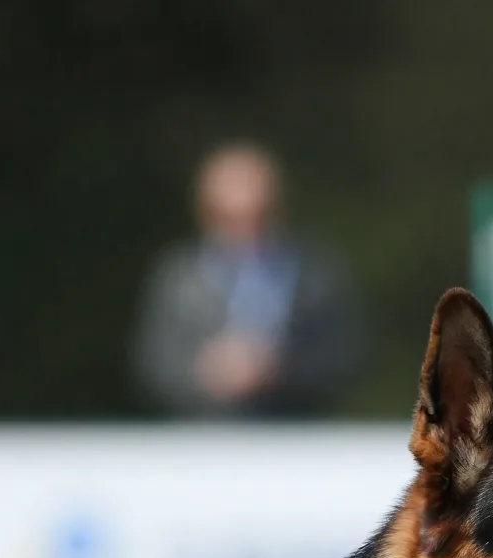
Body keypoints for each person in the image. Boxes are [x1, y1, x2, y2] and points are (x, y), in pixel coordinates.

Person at [133, 142, 362, 417]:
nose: (246, 230)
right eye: (231, 218)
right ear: (206, 214)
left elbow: (347, 357)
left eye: (258, 216)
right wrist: (205, 371)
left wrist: (280, 369)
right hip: (199, 443)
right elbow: (153, 363)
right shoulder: (178, 278)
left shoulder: (316, 275)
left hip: (297, 440)